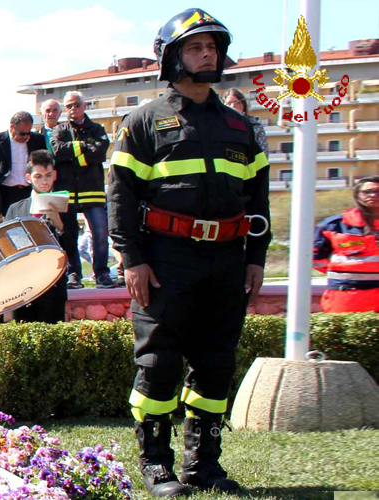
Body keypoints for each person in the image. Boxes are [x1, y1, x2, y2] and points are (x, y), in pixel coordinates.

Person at [109, 9, 268, 495]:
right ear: (172, 57)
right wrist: (132, 258)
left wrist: (256, 258)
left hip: (227, 260)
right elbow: (120, 195)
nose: (207, 55)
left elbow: (259, 199)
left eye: (212, 47)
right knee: (158, 362)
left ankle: (205, 466)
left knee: (216, 363)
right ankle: (157, 465)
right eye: (196, 47)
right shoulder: (142, 121)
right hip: (164, 259)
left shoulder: (242, 127)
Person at [54, 91, 118, 289]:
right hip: (68, 192)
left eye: (76, 105)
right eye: (68, 106)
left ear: (84, 106)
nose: (73, 109)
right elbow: (58, 151)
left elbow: (99, 153)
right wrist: (84, 146)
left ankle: (102, 274)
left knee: (100, 233)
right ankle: (74, 274)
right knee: (70, 236)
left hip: (92, 190)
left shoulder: (97, 129)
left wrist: (74, 155)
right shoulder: (60, 129)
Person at [2, 151, 68, 323]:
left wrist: (59, 225)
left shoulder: (66, 207)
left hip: (53, 287)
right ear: (28, 178)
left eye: (48, 175)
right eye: (38, 176)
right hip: (22, 288)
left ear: (55, 175)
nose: (44, 181)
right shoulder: (15, 209)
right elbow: (6, 249)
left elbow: (72, 249)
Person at [314, 176, 379, 313]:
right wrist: (344, 271)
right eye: (367, 191)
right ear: (357, 195)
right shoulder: (334, 225)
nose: (373, 195)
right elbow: (315, 257)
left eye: (378, 191)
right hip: (347, 295)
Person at [0, 111, 47, 218]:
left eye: (28, 133)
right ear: (12, 127)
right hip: (6, 192)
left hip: (30, 191)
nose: (26, 136)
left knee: (31, 223)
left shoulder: (37, 140)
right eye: (22, 133)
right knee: (9, 224)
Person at [222, 89, 269, 153]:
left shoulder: (255, 126)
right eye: (229, 103)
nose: (232, 106)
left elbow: (263, 151)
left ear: (243, 105)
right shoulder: (220, 125)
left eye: (236, 103)